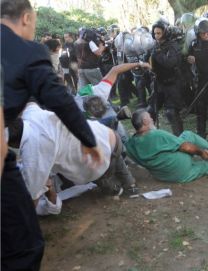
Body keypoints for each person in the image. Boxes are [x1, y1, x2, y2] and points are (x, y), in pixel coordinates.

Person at [1, 0, 102, 269]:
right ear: (25, 18)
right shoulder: (27, 51)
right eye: (34, 20)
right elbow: (59, 98)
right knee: (24, 245)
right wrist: (88, 139)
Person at [7, 102, 138, 216]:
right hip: (107, 134)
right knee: (119, 165)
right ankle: (130, 182)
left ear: (12, 144)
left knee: (105, 182)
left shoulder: (34, 152)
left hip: (100, 159)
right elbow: (27, 101)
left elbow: (32, 199)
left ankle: (116, 188)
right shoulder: (30, 114)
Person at [126, 109, 208, 183]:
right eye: (150, 117)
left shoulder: (130, 145)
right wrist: (201, 153)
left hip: (164, 175)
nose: (152, 119)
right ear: (144, 121)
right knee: (202, 160)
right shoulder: (157, 135)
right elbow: (186, 147)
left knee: (200, 163)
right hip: (180, 167)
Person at [145, 19, 185, 136]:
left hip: (173, 84)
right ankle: (149, 136)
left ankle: (180, 140)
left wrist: (157, 54)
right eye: (155, 33)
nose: (156, 36)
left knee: (171, 113)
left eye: (159, 33)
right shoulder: (155, 46)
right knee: (150, 111)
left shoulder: (173, 46)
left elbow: (170, 63)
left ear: (165, 33)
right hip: (159, 83)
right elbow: (149, 61)